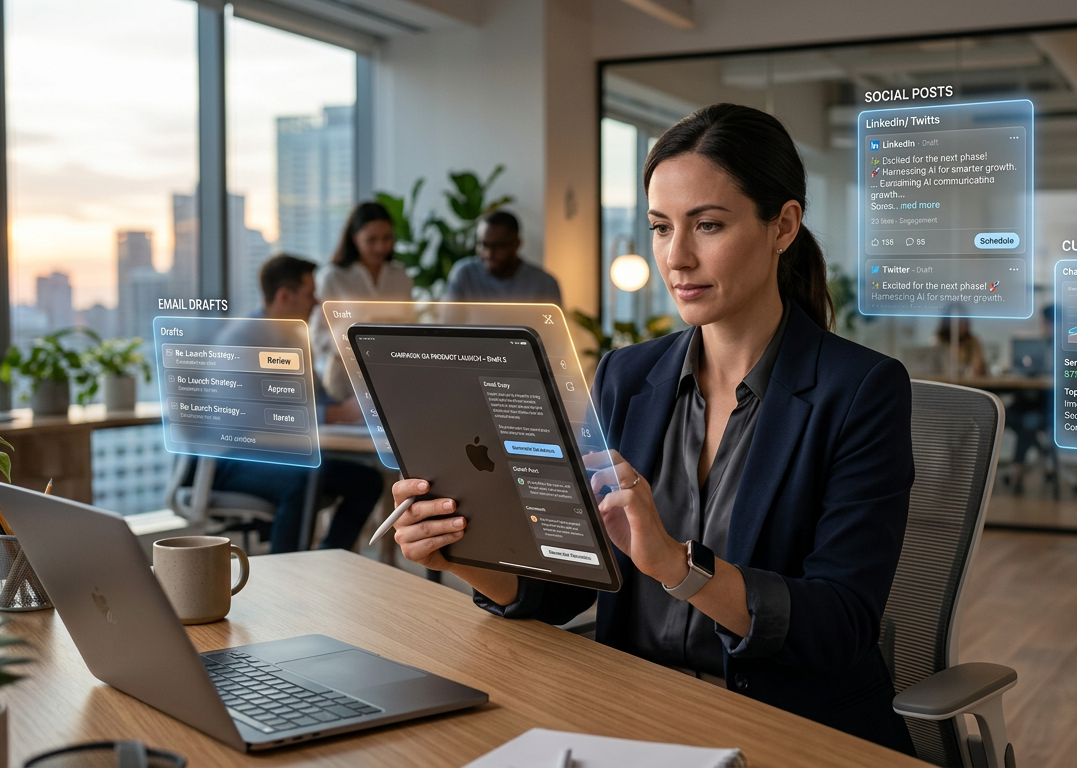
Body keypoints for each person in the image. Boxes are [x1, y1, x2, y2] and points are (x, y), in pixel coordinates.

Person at [385, 104, 916, 754]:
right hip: (634, 712)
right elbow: (566, 588)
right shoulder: (625, 377)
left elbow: (840, 624)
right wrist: (463, 555)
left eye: (709, 225)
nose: (677, 257)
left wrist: (676, 566)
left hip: (786, 728)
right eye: (661, 229)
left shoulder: (860, 390)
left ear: (783, 225)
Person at [211, 254, 385, 553]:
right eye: (309, 294)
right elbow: (254, 416)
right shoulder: (240, 340)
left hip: (283, 455)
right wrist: (335, 413)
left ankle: (330, 559)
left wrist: (356, 407)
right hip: (229, 459)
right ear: (284, 295)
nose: (316, 303)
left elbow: (321, 400)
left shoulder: (295, 340)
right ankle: (286, 575)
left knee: (366, 481)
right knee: (303, 482)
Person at [311, 202, 414, 382]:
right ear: (354, 237)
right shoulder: (333, 277)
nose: (380, 247)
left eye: (387, 238)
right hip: (345, 376)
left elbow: (410, 326)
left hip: (392, 373)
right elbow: (318, 334)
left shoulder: (400, 277)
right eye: (371, 240)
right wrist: (348, 346)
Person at [444, 210, 563, 304]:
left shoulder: (544, 283)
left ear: (517, 244)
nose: (489, 254)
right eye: (483, 245)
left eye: (499, 246)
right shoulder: (464, 274)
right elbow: (448, 326)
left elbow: (553, 329)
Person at [935, 312, 988, 377]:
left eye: (964, 322)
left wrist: (978, 366)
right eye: (959, 322)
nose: (962, 325)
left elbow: (979, 365)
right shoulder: (938, 341)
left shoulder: (973, 341)